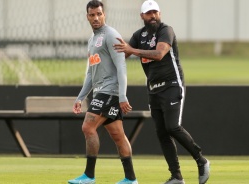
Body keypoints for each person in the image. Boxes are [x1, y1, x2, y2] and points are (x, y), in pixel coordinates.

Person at [113, 0, 210, 184]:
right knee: (162, 133)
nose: (153, 16)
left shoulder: (166, 30)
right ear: (142, 16)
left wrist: (132, 50)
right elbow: (122, 55)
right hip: (153, 89)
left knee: (172, 127)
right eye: (148, 13)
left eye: (155, 12)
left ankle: (201, 160)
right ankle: (176, 176)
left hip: (172, 84)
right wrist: (106, 56)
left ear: (160, 13)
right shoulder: (138, 35)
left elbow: (159, 54)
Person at [68, 1, 138, 184]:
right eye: (92, 15)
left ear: (104, 14)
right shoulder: (92, 40)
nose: (96, 18)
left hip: (109, 92)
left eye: (99, 14)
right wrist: (80, 97)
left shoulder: (111, 35)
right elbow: (91, 73)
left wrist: (122, 96)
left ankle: (89, 176)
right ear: (87, 16)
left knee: (87, 127)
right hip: (101, 91)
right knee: (117, 135)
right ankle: (131, 179)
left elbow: (121, 67)